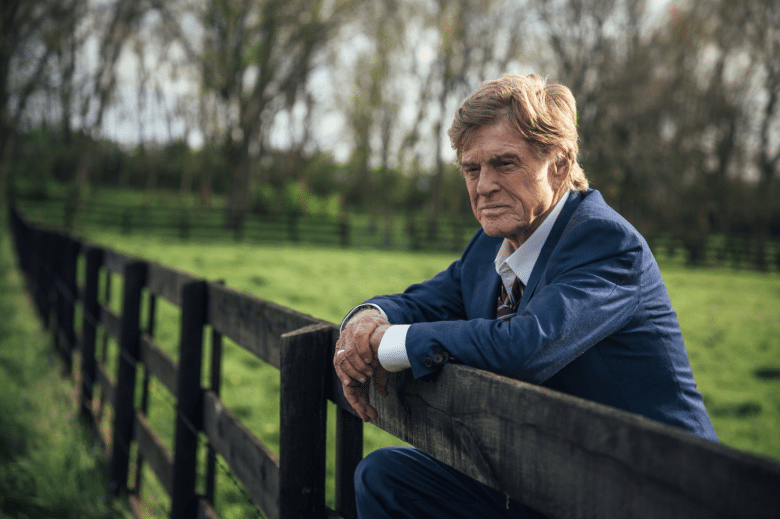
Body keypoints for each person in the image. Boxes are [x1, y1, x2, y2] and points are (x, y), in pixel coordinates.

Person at [333, 73, 718, 518]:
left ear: (560, 164)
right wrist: (366, 319)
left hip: (649, 490)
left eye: (504, 164)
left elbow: (524, 347)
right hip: (549, 478)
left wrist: (389, 343)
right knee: (386, 478)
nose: (483, 186)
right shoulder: (489, 244)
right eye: (472, 169)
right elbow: (425, 302)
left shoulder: (605, 242)